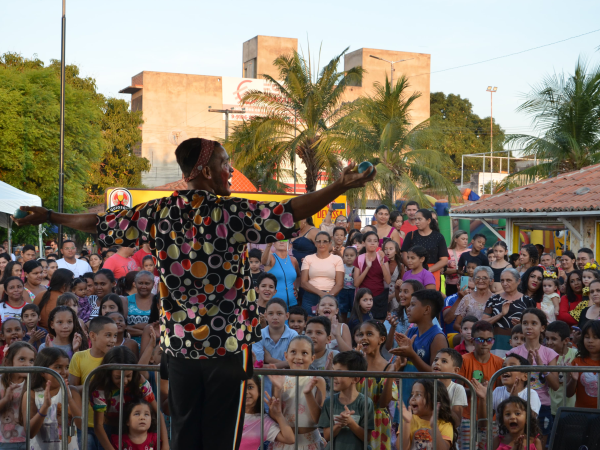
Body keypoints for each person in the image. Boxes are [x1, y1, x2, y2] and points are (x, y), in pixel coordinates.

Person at [14, 137, 376, 450]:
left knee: (187, 436)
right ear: (203, 169)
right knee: (220, 439)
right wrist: (338, 186)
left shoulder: (157, 212)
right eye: (224, 163)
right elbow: (291, 210)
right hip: (228, 349)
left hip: (181, 350)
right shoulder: (232, 211)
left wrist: (50, 215)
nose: (230, 170)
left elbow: (98, 222)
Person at [89, 347, 167, 450]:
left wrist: (166, 445)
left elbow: (158, 413)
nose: (124, 381)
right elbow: (98, 426)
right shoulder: (100, 389)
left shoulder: (139, 381)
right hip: (109, 430)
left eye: (128, 376)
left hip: (136, 431)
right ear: (108, 374)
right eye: (118, 377)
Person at [507, 309, 560, 445]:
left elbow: (555, 385)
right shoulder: (513, 352)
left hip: (543, 406)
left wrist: (541, 367)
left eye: (533, 323)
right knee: (518, 442)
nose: (528, 327)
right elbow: (508, 381)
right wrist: (527, 367)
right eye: (525, 323)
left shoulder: (549, 353)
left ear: (542, 327)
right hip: (519, 404)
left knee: (540, 444)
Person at [267, 335, 327, 450]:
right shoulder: (280, 379)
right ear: (286, 355)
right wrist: (278, 389)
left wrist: (308, 394)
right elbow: (275, 415)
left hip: (310, 442)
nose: (298, 357)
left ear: (312, 358)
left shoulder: (318, 380)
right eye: (293, 352)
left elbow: (319, 419)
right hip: (284, 442)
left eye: (304, 353)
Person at [68, 316, 118, 449]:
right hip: (85, 423)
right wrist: (93, 386)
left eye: (115, 336)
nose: (113, 340)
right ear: (93, 335)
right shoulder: (79, 357)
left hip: (110, 422)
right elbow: (73, 389)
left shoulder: (116, 359)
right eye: (108, 335)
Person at [392, 289, 447, 404]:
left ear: (427, 309)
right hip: (405, 396)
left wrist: (412, 355)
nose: (408, 308)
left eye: (413, 305)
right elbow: (401, 368)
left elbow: (435, 374)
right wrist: (400, 358)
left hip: (424, 401)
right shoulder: (409, 332)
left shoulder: (437, 337)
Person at [20, 347, 82, 450]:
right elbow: (29, 433)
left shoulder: (73, 392)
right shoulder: (31, 394)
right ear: (43, 372)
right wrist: (44, 407)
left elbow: (81, 425)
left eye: (67, 367)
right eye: (58, 367)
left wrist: (70, 400)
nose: (64, 372)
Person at [355, 321, 398, 450]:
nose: (364, 338)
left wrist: (390, 376)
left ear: (381, 339)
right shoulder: (355, 365)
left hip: (378, 423)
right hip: (356, 419)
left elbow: (384, 403)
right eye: (361, 334)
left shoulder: (388, 367)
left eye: (369, 334)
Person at [318, 351, 375, 450]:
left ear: (355, 379)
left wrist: (350, 422)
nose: (334, 376)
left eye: (339, 372)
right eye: (333, 371)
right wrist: (340, 424)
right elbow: (327, 436)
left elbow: (367, 437)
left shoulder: (365, 403)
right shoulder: (329, 402)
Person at [483, 268, 535, 356]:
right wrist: (501, 314)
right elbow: (483, 323)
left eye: (508, 280)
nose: (505, 283)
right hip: (497, 345)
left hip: (521, 345)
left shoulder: (528, 301)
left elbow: (535, 325)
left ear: (518, 281)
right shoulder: (494, 299)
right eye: (502, 281)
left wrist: (522, 324)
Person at [240, 374, 295, 450]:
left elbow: (289, 439)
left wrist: (278, 415)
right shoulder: (228, 416)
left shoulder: (264, 421)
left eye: (250, 387)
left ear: (259, 391)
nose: (246, 391)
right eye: (241, 387)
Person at [398, 379, 456, 450]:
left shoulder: (444, 424)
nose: (412, 398)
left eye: (418, 394)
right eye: (412, 394)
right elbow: (401, 448)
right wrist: (407, 423)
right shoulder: (408, 421)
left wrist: (434, 427)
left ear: (434, 399)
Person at [400, 209, 448, 290]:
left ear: (428, 220)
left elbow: (444, 260)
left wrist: (427, 270)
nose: (417, 222)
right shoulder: (410, 235)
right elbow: (404, 256)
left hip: (432, 271)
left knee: (430, 298)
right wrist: (415, 268)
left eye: (419, 219)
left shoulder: (438, 237)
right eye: (415, 219)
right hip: (413, 271)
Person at [0, 341, 36, 449]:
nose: (27, 364)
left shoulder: (34, 383)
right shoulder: (1, 382)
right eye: (22, 359)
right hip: (5, 440)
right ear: (8, 362)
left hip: (30, 440)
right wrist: (5, 400)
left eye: (31, 360)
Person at [300, 232, 344, 317]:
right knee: (310, 323)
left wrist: (328, 297)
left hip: (332, 294)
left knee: (331, 324)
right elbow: (303, 282)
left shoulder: (337, 259)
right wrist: (321, 293)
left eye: (325, 241)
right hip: (311, 296)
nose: (321, 244)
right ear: (315, 243)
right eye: (318, 241)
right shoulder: (308, 258)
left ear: (330, 243)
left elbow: (339, 283)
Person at [353, 231, 391, 320]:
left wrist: (381, 263)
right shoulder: (359, 259)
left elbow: (388, 280)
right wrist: (367, 268)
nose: (372, 243)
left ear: (378, 243)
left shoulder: (382, 258)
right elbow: (356, 283)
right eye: (369, 240)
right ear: (363, 243)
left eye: (375, 241)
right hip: (363, 298)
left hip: (380, 296)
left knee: (379, 326)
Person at [252, 298, 298, 368]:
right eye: (270, 314)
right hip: (264, 379)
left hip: (288, 378)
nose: (275, 317)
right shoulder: (258, 335)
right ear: (265, 316)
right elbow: (257, 366)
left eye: (279, 314)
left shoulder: (293, 335)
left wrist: (269, 360)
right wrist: (286, 364)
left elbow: (296, 364)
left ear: (287, 316)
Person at [545, 320, 577, 417]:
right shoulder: (544, 355)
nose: (549, 342)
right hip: (551, 407)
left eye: (553, 339)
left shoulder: (575, 354)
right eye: (547, 338)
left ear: (566, 341)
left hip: (571, 406)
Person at [566, 320, 600, 408]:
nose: (590, 341)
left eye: (595, 337)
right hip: (582, 415)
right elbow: (568, 393)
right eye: (587, 337)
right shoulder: (577, 362)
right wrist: (573, 380)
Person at [432, 348, 468, 428]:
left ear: (455, 370)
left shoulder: (458, 389)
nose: (437, 363)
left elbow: (457, 421)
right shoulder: (425, 386)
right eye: (435, 360)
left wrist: (441, 396)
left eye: (444, 361)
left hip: (447, 435)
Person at [451, 266, 494, 330]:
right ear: (474, 280)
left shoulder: (496, 299)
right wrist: (469, 332)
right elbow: (456, 325)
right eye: (477, 277)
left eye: (484, 278)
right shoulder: (467, 299)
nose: (480, 280)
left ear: (491, 281)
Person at [263, 240, 300, 310]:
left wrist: (297, 288)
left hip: (293, 304)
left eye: (285, 240)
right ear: (274, 244)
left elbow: (298, 276)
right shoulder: (271, 258)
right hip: (274, 305)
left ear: (290, 246)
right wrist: (268, 246)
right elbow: (264, 262)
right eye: (278, 240)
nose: (281, 242)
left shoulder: (293, 260)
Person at [125, 271, 153, 344]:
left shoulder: (158, 301)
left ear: (153, 284)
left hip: (152, 348)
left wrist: (133, 327)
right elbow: (122, 328)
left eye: (147, 283)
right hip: (130, 347)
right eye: (140, 283)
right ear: (135, 284)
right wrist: (146, 331)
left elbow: (160, 328)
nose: (143, 286)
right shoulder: (126, 300)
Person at [446, 230, 470, 296]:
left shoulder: (470, 252)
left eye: (467, 239)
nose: (465, 241)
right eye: (463, 239)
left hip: (467, 284)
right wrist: (457, 271)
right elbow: (443, 270)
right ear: (455, 239)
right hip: (451, 284)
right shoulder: (447, 251)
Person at [338, 246, 357, 322]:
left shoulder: (357, 268)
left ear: (356, 257)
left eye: (351, 256)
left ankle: (352, 325)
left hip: (353, 291)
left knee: (354, 309)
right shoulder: (341, 267)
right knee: (343, 309)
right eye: (346, 255)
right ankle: (343, 324)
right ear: (343, 257)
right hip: (343, 291)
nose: (349, 257)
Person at [384, 240, 404, 311]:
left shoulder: (400, 266)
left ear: (396, 251)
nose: (387, 251)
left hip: (394, 295)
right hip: (382, 294)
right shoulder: (381, 263)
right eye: (385, 249)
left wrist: (391, 296)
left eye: (390, 249)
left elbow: (402, 283)